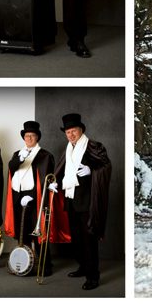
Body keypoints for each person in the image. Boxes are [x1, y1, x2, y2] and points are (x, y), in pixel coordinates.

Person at [50, 113, 111, 290]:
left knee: (89, 239)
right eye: (67, 132)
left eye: (73, 131)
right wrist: (55, 183)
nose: (70, 135)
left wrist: (92, 170)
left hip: (87, 201)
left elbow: (106, 166)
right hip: (71, 200)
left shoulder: (93, 146)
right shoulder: (68, 149)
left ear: (81, 130)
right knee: (76, 239)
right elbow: (62, 172)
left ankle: (93, 276)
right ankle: (83, 267)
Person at [5, 120, 58, 276]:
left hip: (35, 197)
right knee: (24, 232)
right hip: (18, 197)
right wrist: (20, 158)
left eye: (32, 136)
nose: (29, 138)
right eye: (27, 136)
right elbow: (11, 168)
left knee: (39, 234)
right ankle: (28, 262)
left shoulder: (45, 155)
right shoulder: (17, 154)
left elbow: (46, 179)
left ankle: (45, 265)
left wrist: (32, 196)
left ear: (37, 138)